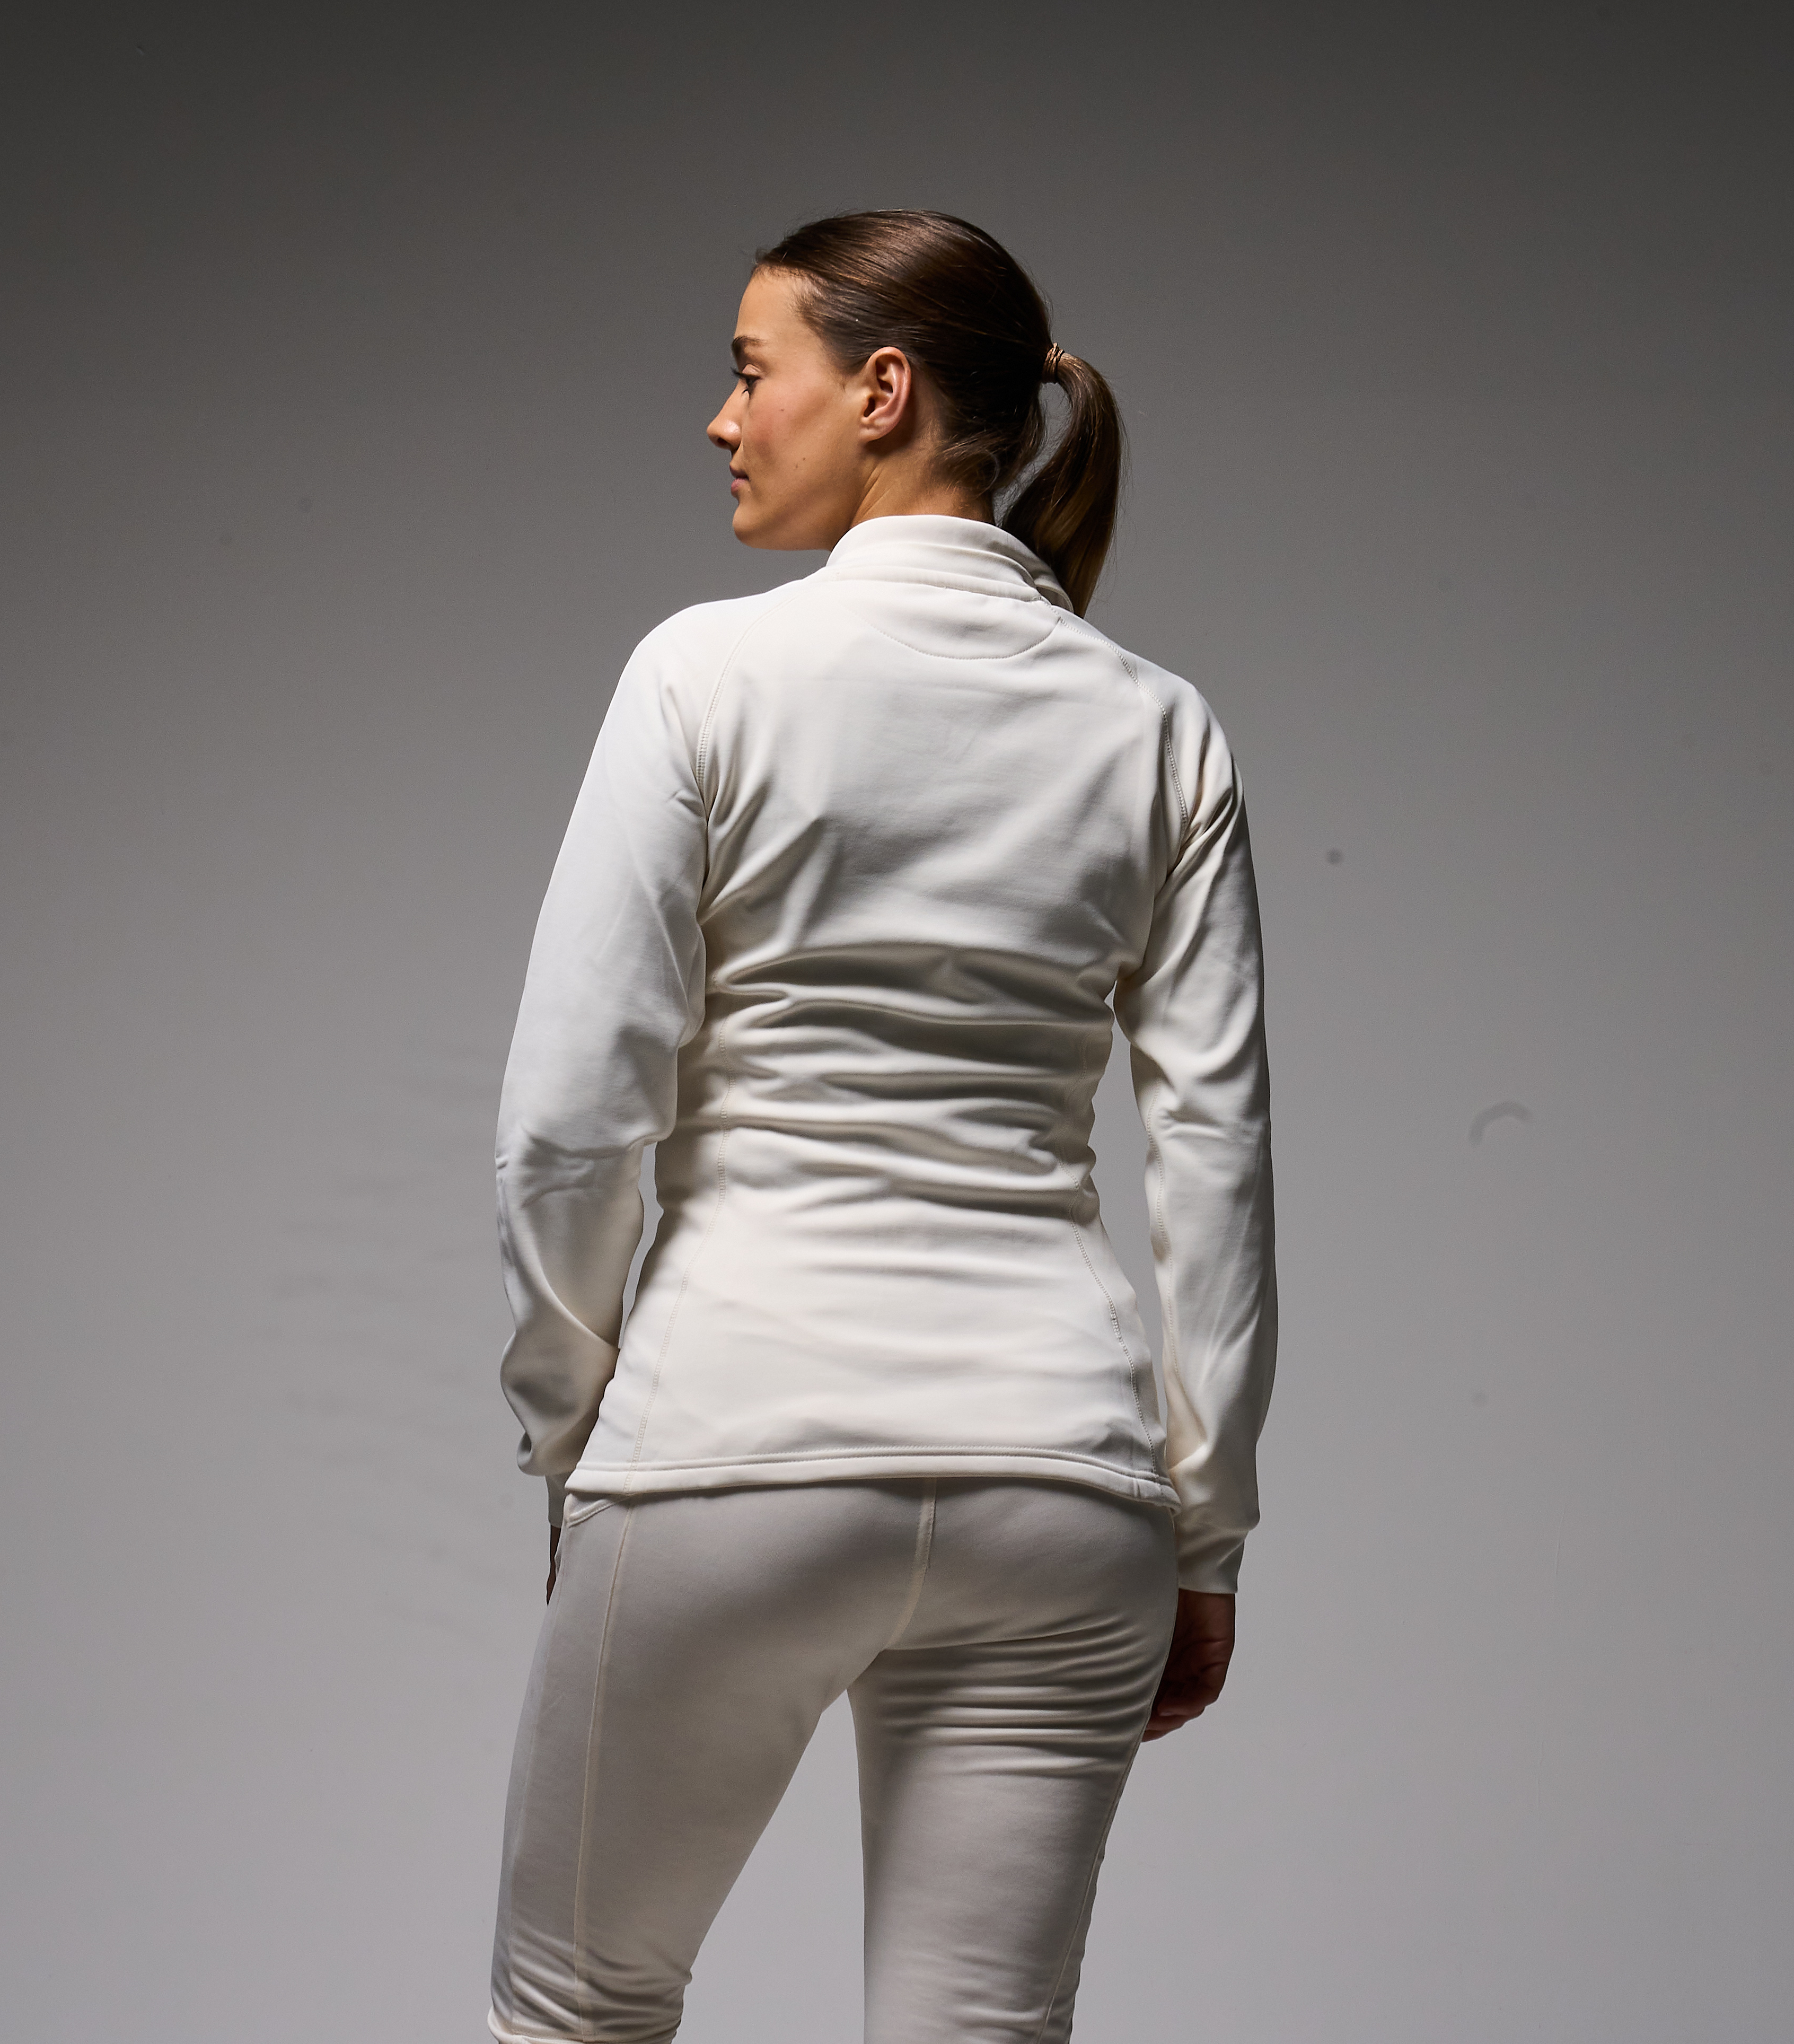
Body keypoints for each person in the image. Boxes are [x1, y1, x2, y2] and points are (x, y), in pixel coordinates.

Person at [487, 209, 1276, 2044]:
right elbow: (1219, 1169)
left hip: (739, 1436)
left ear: (884, 390)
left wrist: (573, 1431)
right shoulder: (1162, 729)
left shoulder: (704, 675)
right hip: (1060, 1481)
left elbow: (574, 1117)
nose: (722, 418)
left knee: (579, 2006)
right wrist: (1205, 1532)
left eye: (752, 370)